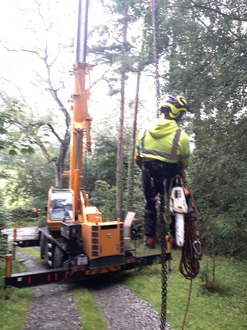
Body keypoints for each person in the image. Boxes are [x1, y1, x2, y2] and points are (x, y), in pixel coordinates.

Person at [134, 94, 193, 248]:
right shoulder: (182, 137)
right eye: (181, 113)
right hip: (170, 176)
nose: (181, 117)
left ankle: (149, 239)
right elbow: (184, 163)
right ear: (176, 113)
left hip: (148, 174)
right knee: (178, 201)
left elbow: (137, 157)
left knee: (149, 202)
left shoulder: (144, 131)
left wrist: (147, 170)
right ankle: (174, 237)